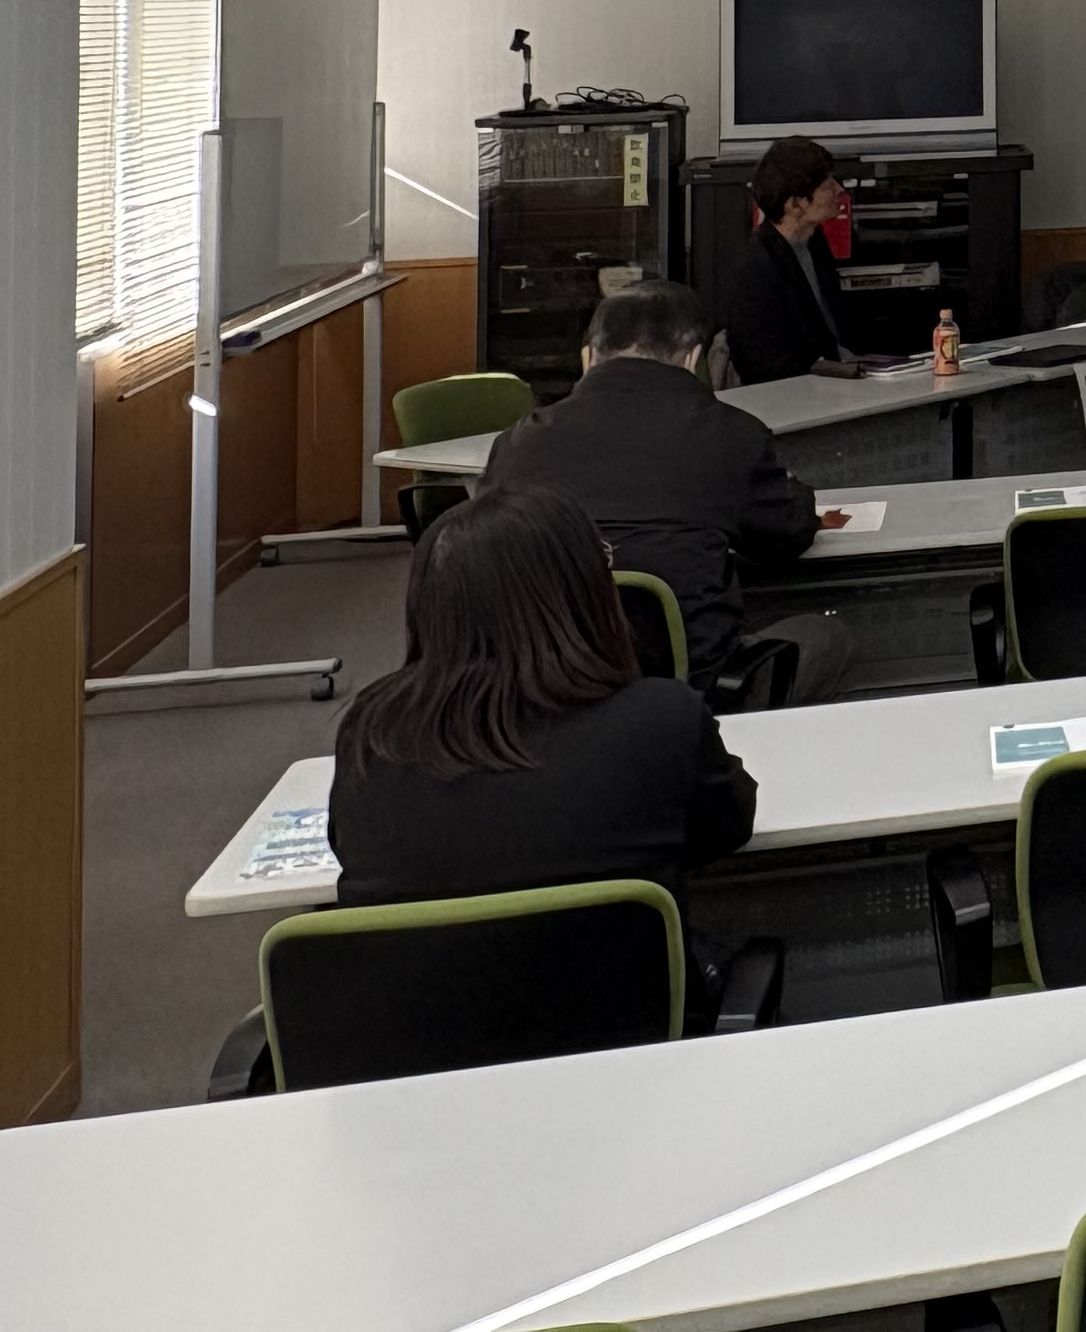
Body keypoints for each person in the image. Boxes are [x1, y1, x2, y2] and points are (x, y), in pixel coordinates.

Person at [326, 481, 757, 906]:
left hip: (416, 957)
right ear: (586, 590)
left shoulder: (370, 732)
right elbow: (728, 827)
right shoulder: (662, 719)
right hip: (607, 954)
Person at [481, 279, 849, 702]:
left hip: (546, 689)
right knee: (826, 635)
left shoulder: (518, 442)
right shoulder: (732, 434)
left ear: (588, 358)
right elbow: (786, 535)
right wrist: (795, 493)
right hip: (691, 691)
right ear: (693, 359)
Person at [707, 137, 879, 384]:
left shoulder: (814, 241)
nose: (838, 189)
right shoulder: (754, 270)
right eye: (826, 184)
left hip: (840, 373)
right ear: (795, 204)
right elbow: (767, 367)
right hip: (801, 390)